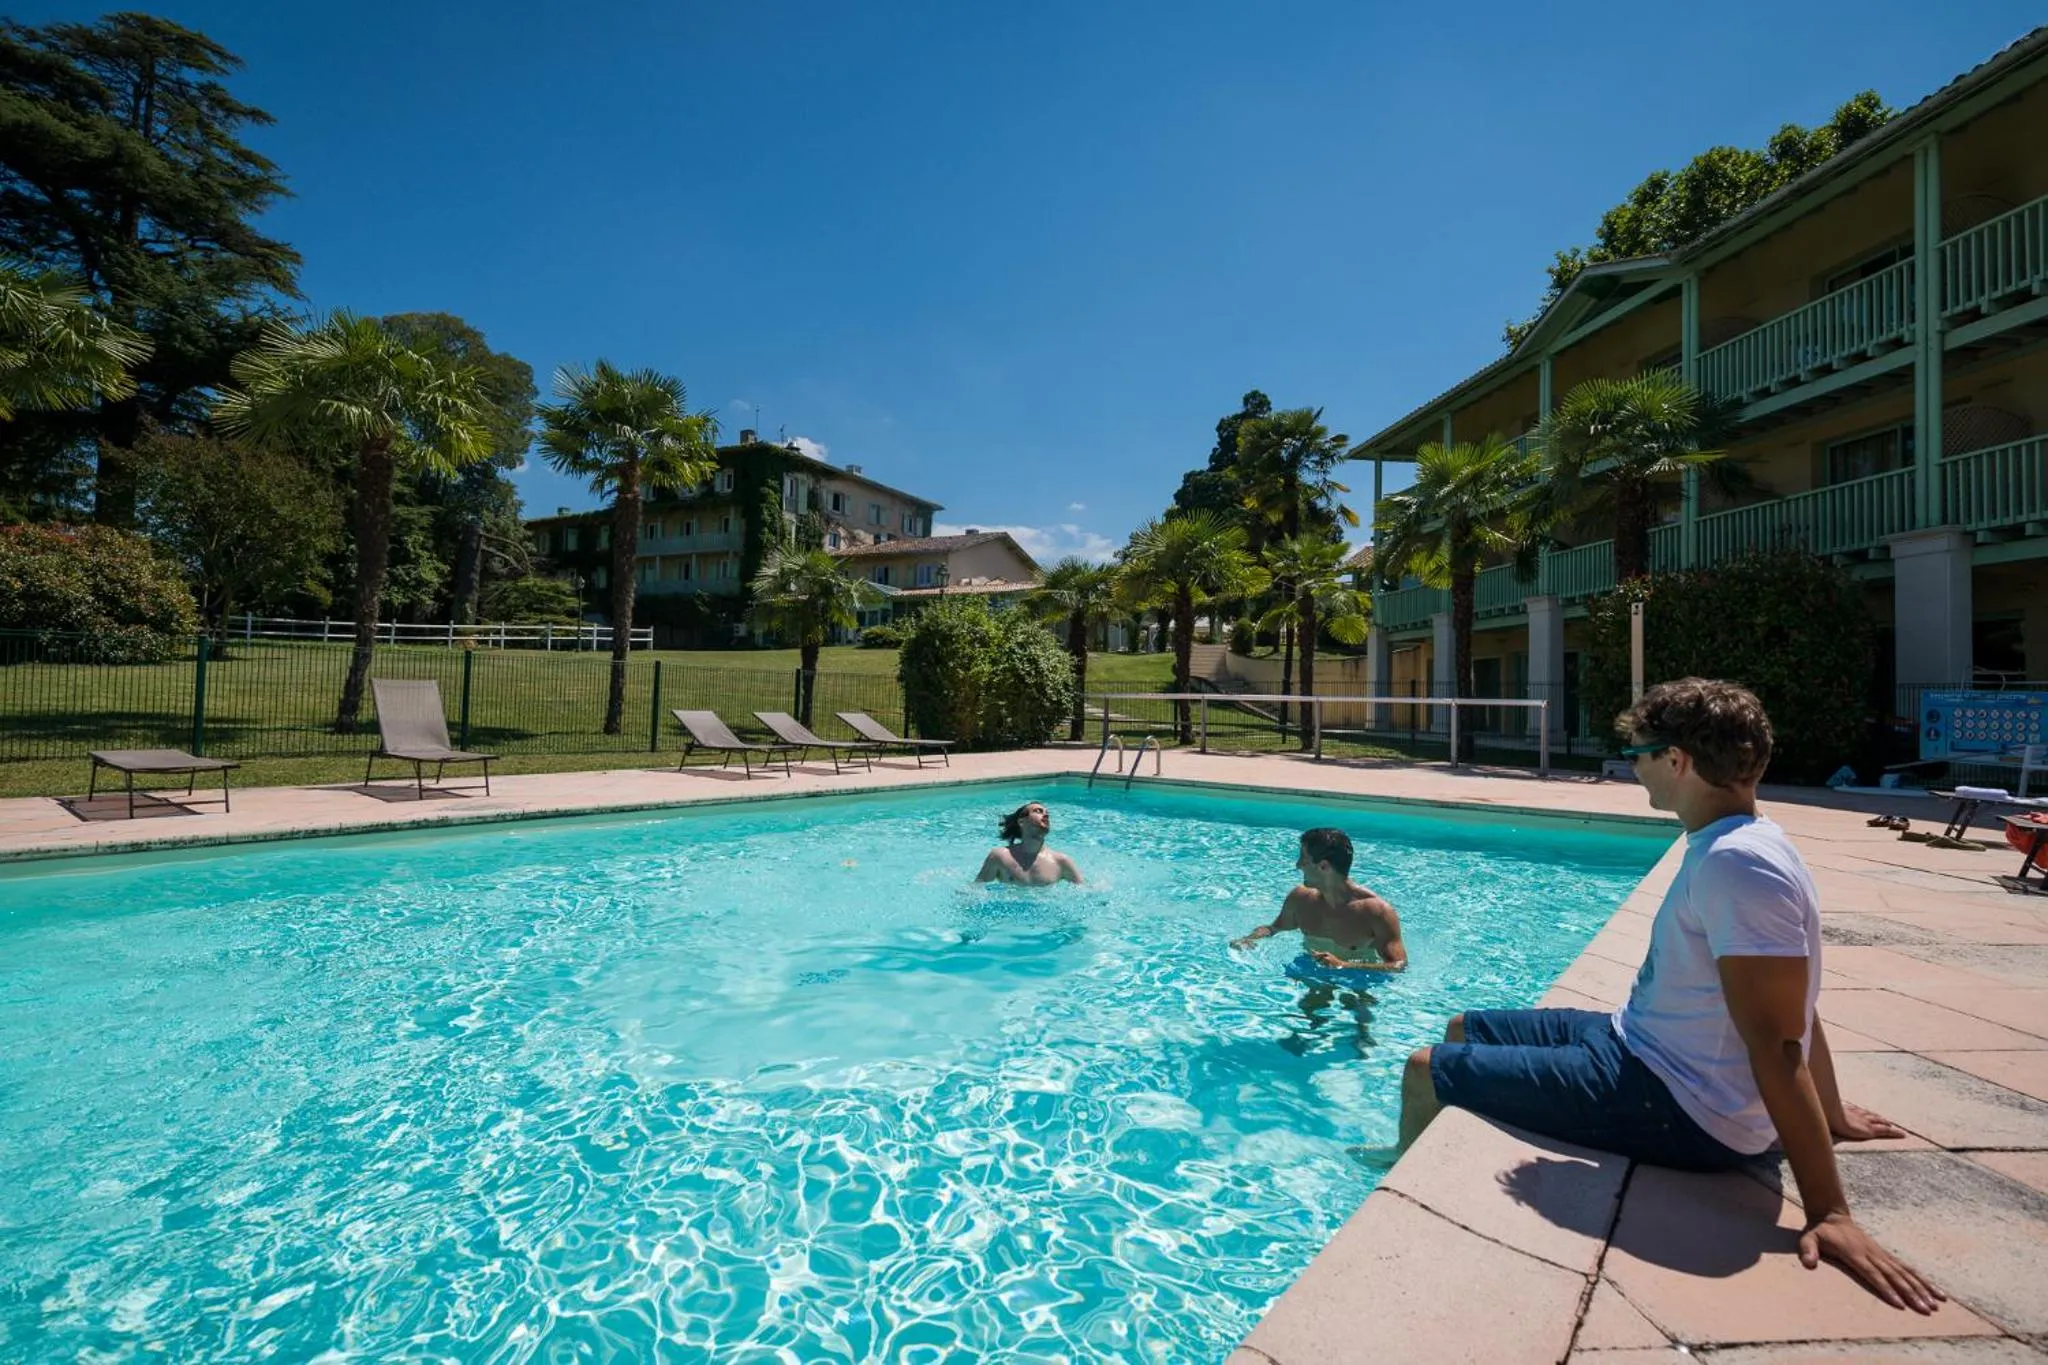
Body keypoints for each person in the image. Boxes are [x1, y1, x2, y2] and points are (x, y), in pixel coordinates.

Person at [1394, 678, 1942, 1314]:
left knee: (1424, 1070)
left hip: (1679, 1103)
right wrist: (1835, 1113)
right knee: (1463, 1026)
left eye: (1638, 756)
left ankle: (1390, 1174)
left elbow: (1778, 1034)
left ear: (1676, 761)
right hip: (1640, 1041)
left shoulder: (1738, 866)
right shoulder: (1744, 841)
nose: (1633, 769)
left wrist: (1831, 1209)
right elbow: (1803, 999)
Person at [1233, 828, 1407, 973]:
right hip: (1313, 972)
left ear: (1324, 866)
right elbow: (1273, 928)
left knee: (1359, 1011)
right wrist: (1249, 938)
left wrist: (1345, 966)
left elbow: (1398, 965)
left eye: (1303, 858)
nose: (1298, 865)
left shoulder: (1376, 911)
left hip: (1359, 980)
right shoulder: (1300, 899)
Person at [976, 801, 1083, 885]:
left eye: (1047, 813)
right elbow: (976, 890)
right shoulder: (1000, 856)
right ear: (1021, 822)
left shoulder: (1061, 861)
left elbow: (1084, 892)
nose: (1045, 815)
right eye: (1038, 811)